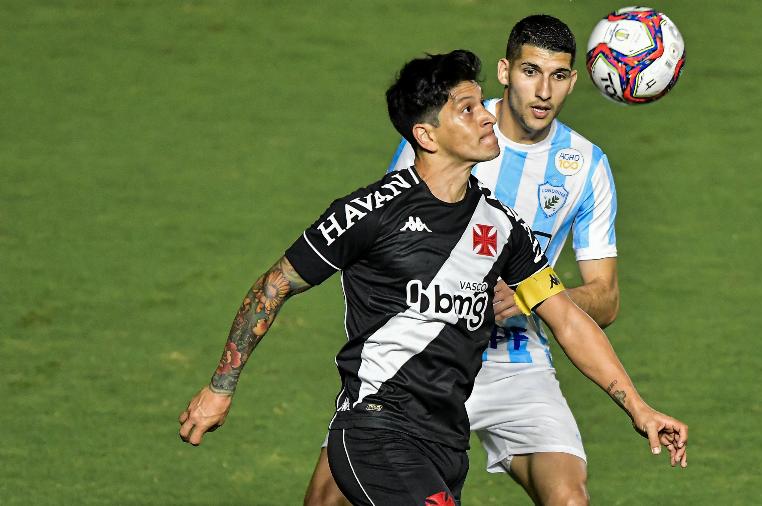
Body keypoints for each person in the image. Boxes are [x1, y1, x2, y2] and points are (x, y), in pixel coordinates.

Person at [179, 49, 687, 506]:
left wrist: (639, 409)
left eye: (480, 105)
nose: (488, 116)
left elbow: (567, 320)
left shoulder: (502, 227)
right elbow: (276, 284)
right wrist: (221, 387)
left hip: (445, 442)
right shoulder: (369, 212)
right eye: (467, 110)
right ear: (426, 135)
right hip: (377, 427)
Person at [304, 15, 662, 506]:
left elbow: (604, 299)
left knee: (569, 499)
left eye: (558, 76)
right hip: (420, 360)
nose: (543, 92)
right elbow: (391, 239)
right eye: (530, 71)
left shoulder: (585, 167)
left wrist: (529, 296)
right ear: (505, 70)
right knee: (327, 499)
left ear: (575, 81)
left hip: (517, 365)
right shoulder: (450, 128)